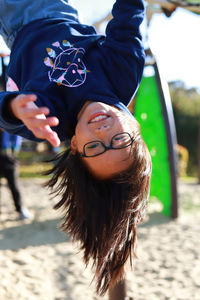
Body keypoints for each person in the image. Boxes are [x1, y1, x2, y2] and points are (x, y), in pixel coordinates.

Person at [0, 0, 152, 296]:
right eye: (119, 141)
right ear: (136, 129)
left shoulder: (50, 119)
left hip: (16, 20)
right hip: (57, 9)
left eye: (94, 147)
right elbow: (128, 17)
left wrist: (13, 108)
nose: (102, 132)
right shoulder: (122, 75)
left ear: (76, 148)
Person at [0, 129, 30, 219]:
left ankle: (20, 209)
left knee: (14, 184)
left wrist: (13, 152)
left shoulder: (9, 124)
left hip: (9, 159)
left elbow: (17, 139)